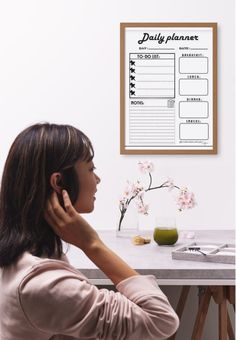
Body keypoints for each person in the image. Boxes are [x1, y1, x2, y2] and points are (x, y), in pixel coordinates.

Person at [0, 123, 179, 340]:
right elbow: (161, 320)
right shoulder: (42, 284)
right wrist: (92, 244)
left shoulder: (23, 256)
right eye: (91, 169)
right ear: (59, 182)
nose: (98, 179)